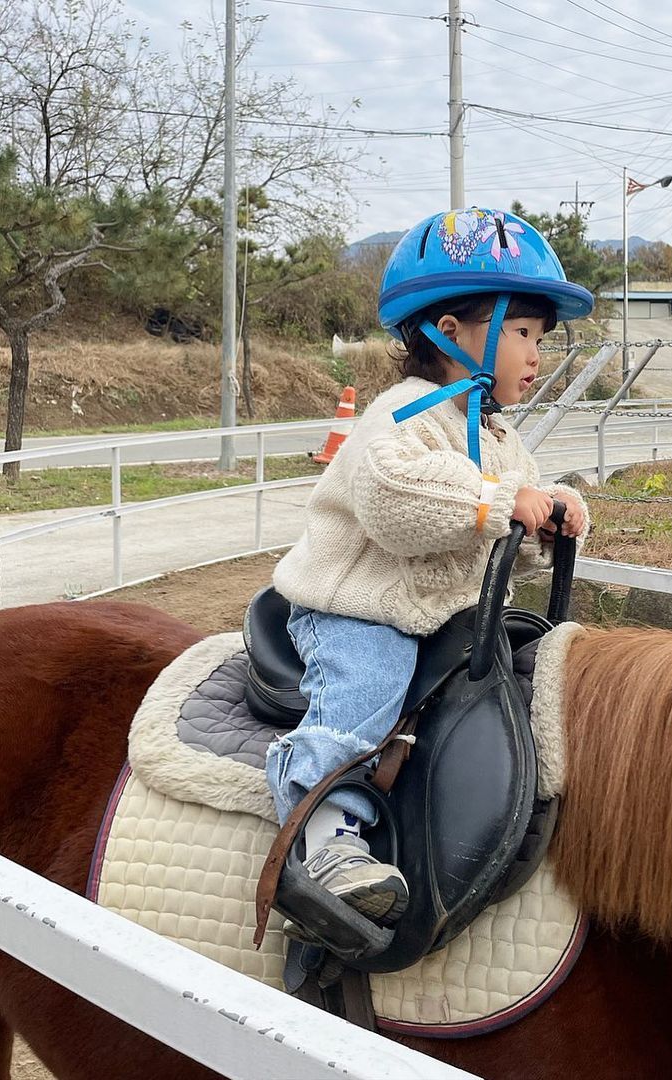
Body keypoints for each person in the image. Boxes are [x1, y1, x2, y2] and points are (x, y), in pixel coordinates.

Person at [265, 207, 594, 937]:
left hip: (451, 622)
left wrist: (555, 518)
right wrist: (505, 500)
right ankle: (323, 838)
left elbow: (511, 525)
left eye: (540, 337)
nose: (536, 354)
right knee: (367, 688)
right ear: (450, 332)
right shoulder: (403, 413)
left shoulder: (503, 437)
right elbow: (395, 499)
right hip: (363, 610)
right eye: (519, 332)